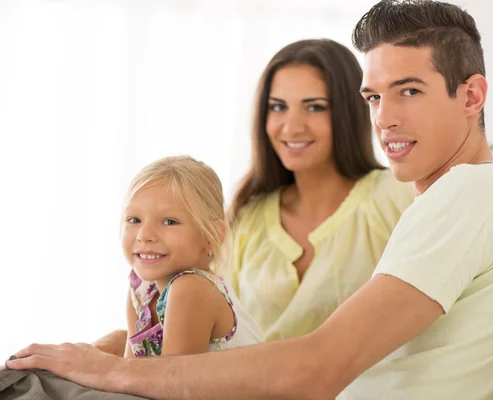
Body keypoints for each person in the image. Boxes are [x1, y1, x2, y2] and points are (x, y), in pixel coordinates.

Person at [7, 1, 493, 399]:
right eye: (373, 97)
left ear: (472, 94)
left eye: (409, 91)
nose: (385, 118)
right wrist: (104, 354)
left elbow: (318, 368)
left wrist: (111, 369)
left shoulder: (470, 194)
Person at [92, 38, 415, 354]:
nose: (292, 127)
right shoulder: (248, 216)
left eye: (315, 107)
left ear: (348, 112)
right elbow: (208, 332)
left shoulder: (393, 195)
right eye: (278, 107)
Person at [120, 156, 263, 357]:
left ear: (212, 237)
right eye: (134, 219)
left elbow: (167, 383)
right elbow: (128, 373)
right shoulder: (141, 288)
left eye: (169, 222)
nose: (144, 235)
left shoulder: (192, 288)